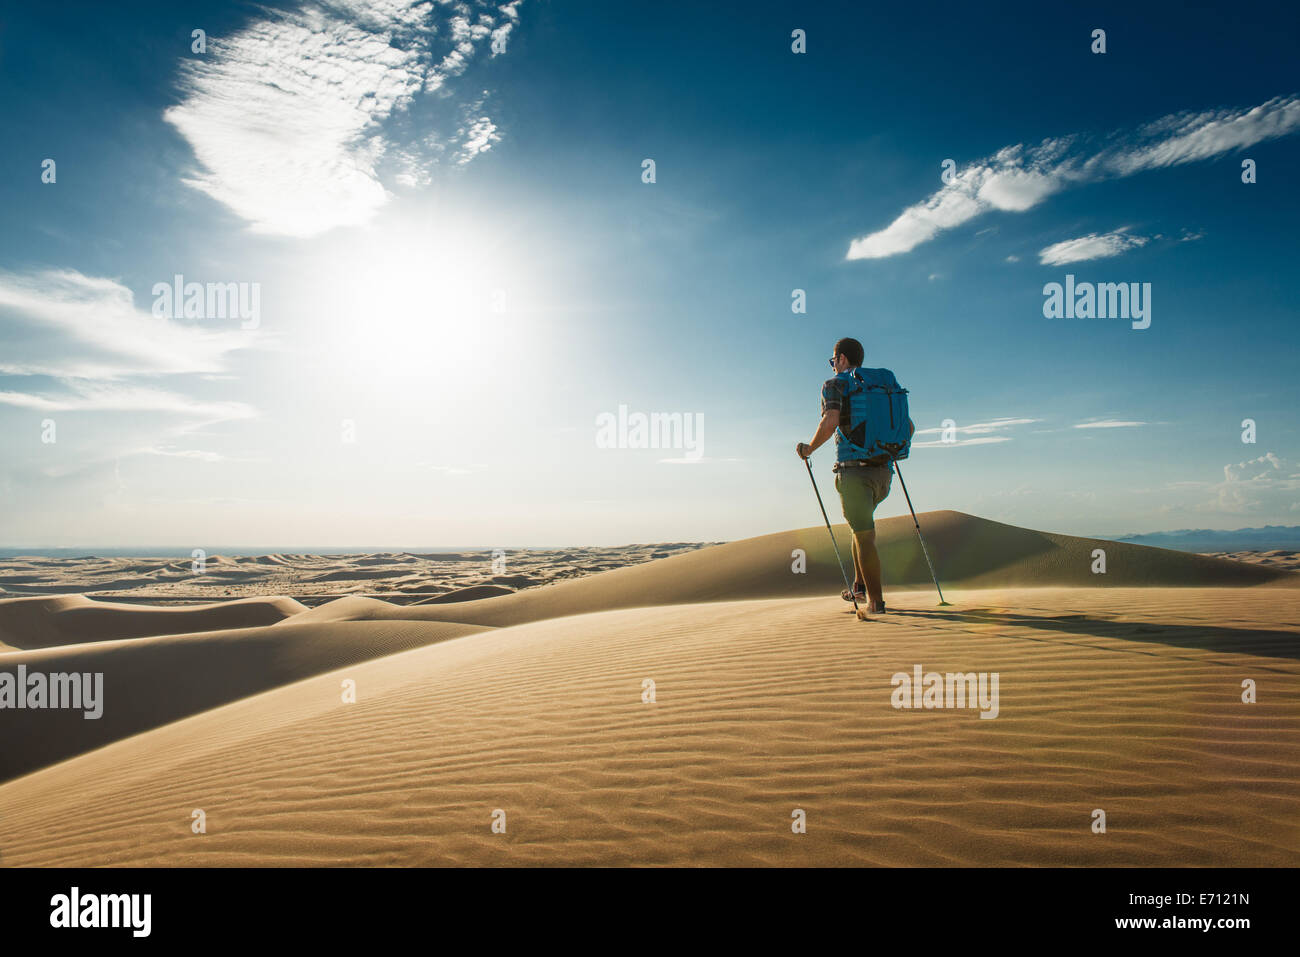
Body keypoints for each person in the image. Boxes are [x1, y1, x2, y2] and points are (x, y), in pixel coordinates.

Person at [796, 337, 914, 614]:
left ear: (842, 359)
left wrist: (809, 448)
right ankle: (859, 587)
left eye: (833, 359)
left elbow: (830, 421)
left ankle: (876, 603)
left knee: (864, 536)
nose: (833, 364)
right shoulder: (883, 387)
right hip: (884, 474)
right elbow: (908, 426)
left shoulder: (834, 384)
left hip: (854, 474)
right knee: (858, 529)